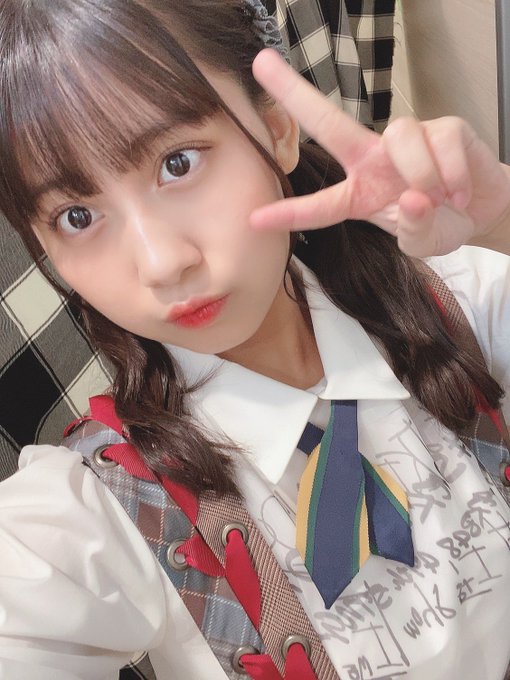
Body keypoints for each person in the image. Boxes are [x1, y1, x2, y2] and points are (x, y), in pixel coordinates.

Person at [0, 1, 509, 679]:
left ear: (276, 129)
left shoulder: (458, 305)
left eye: (178, 162)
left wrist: (501, 220)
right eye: (76, 216)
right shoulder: (97, 515)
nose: (161, 263)